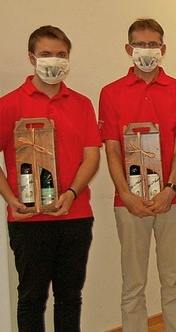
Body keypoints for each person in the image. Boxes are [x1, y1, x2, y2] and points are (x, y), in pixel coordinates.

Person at [0, 25, 100, 331]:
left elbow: (92, 156)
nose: (54, 61)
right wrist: (10, 198)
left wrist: (70, 194)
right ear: (31, 57)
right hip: (28, 219)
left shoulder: (82, 103)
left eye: (61, 55)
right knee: (31, 299)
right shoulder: (8, 104)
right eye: (46, 54)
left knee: (70, 297)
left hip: (75, 215)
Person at [99, 18, 176, 332]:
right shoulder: (110, 93)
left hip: (173, 199)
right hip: (129, 202)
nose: (147, 50)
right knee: (133, 284)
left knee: (173, 282)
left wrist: (170, 188)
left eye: (153, 45)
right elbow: (111, 150)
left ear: (163, 49)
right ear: (128, 49)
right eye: (140, 45)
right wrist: (126, 195)